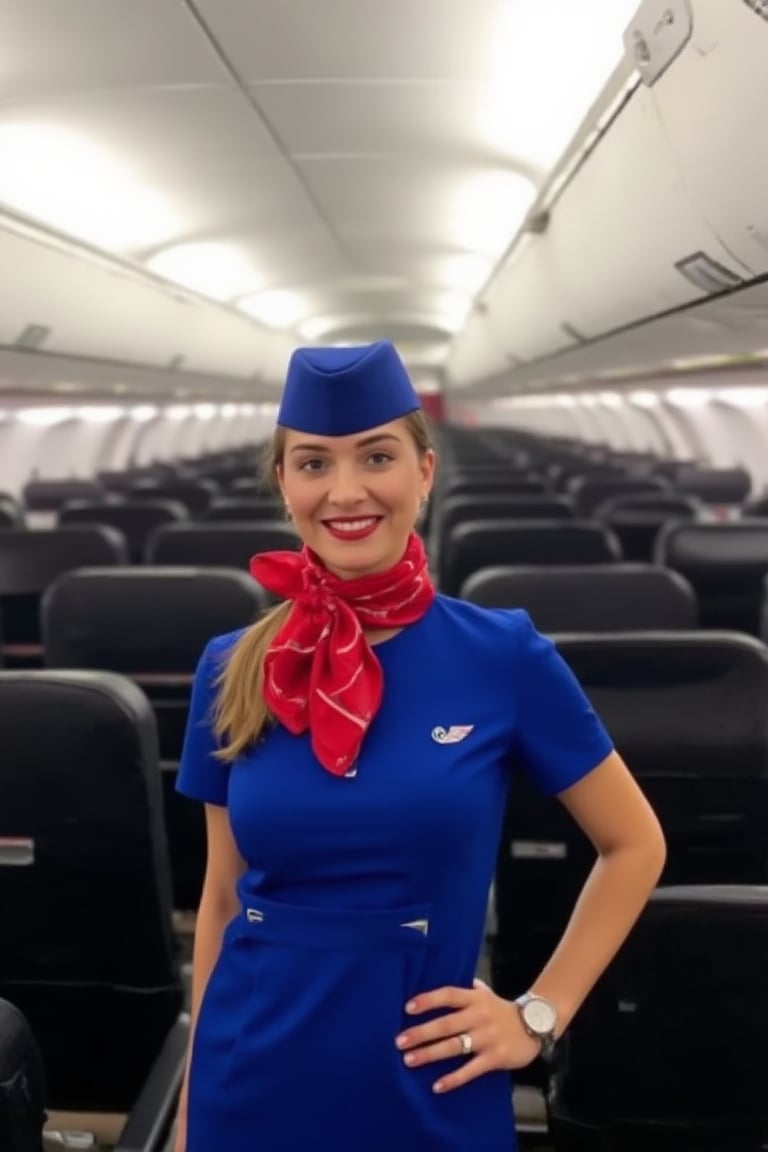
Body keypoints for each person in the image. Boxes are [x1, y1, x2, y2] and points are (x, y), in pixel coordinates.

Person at [173, 341, 666, 1152]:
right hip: (249, 1072)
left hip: (428, 1076)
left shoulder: (503, 655)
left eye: (376, 456)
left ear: (425, 472)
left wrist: (537, 1016)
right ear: (284, 486)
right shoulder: (232, 667)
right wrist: (194, 1108)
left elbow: (634, 843)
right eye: (312, 464)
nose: (345, 491)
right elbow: (222, 899)